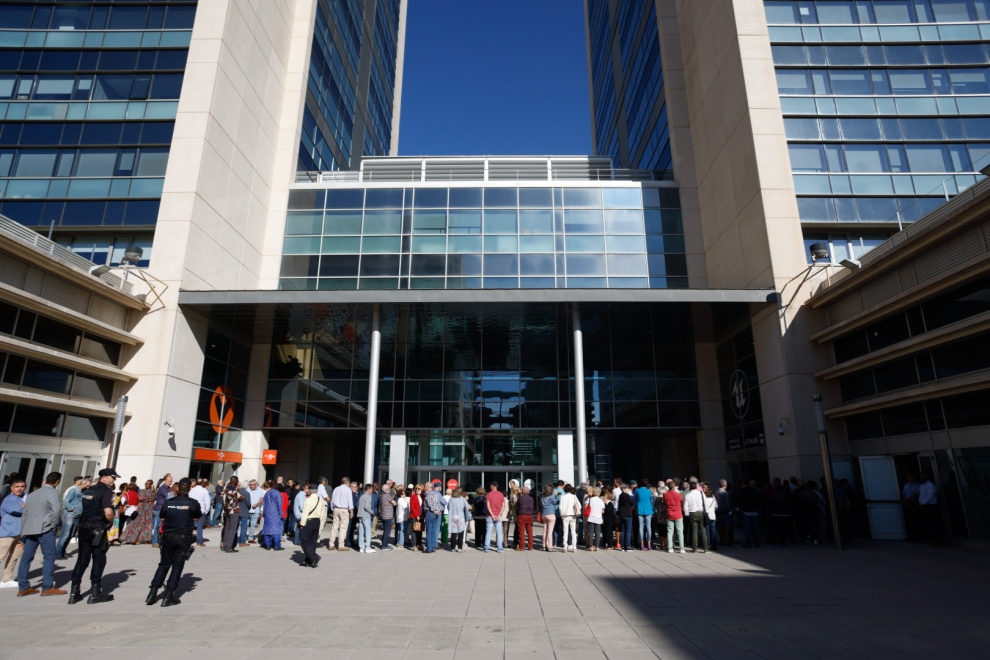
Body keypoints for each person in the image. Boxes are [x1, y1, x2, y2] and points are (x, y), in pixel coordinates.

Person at [146, 477, 202, 607]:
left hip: (167, 537)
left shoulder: (168, 502)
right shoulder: (192, 503)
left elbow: (161, 518)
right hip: (183, 537)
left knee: (164, 564)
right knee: (177, 566)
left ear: (177, 488)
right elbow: (198, 517)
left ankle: (152, 593)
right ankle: (169, 596)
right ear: (189, 488)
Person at [68, 468, 119, 604]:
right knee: (99, 558)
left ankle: (74, 592)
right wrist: (111, 521)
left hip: (84, 527)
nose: (114, 480)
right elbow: (108, 513)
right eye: (112, 477)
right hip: (97, 529)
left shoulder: (89, 489)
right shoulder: (105, 491)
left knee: (82, 559)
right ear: (104, 478)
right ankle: (95, 593)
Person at [17, 472, 64, 597]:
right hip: (45, 529)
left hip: (30, 529)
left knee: (26, 558)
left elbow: (25, 513)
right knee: (49, 557)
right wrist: (54, 525)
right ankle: (47, 587)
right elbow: (56, 509)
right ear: (57, 481)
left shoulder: (32, 494)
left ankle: (23, 586)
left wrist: (24, 530)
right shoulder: (52, 492)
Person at [0, 477, 26, 588]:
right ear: (12, 488)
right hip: (7, 533)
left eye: (22, 487)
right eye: (17, 487)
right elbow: (17, 511)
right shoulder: (9, 499)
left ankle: (6, 579)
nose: (19, 489)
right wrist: (26, 508)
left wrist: (25, 507)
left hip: (19, 533)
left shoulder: (24, 499)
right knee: (1, 555)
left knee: (14, 556)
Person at [55, 476, 85, 560]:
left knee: (70, 534)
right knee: (65, 534)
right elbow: (65, 501)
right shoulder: (73, 490)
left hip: (76, 515)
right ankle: (58, 553)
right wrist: (72, 509)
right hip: (70, 515)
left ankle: (63, 551)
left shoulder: (82, 491)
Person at [298, 482, 326, 567]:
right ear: (317, 491)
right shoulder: (320, 500)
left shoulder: (308, 500)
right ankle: (309, 560)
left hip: (309, 521)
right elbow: (322, 512)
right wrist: (320, 522)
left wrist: (302, 523)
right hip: (317, 521)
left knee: (304, 541)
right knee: (313, 541)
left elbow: (305, 513)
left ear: (309, 491)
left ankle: (314, 557)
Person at [121, 480, 155, 545]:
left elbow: (154, 497)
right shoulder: (142, 491)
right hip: (142, 509)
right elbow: (141, 498)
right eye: (146, 483)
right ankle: (135, 539)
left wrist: (150, 497)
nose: (146, 484)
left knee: (147, 525)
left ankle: (146, 539)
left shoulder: (153, 491)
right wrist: (149, 499)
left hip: (149, 510)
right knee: (137, 524)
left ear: (151, 484)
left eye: (148, 483)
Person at [682, 479, 707, 553]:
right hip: (701, 512)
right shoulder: (702, 494)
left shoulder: (688, 495)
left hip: (692, 513)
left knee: (694, 531)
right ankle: (705, 547)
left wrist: (687, 514)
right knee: (703, 530)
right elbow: (705, 504)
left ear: (690, 488)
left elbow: (685, 506)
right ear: (696, 487)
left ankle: (695, 547)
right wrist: (707, 513)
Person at [329, 477, 354, 551]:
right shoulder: (348, 490)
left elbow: (332, 500)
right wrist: (351, 511)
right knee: (343, 528)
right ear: (348, 482)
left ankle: (331, 544)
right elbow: (350, 501)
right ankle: (341, 545)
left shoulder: (336, 489)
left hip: (336, 508)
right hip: (344, 509)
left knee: (334, 527)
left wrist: (332, 508)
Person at [919, 472, 943, 546]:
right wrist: (920, 502)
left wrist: (923, 503)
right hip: (924, 505)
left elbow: (930, 496)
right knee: (928, 523)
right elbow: (921, 495)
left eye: (923, 476)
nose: (922, 478)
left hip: (931, 506)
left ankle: (938, 540)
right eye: (921, 476)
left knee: (934, 523)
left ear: (927, 477)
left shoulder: (931, 486)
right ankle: (932, 539)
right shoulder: (922, 486)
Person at [221, 477, 245, 552]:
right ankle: (229, 547)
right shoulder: (234, 491)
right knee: (232, 529)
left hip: (227, 510)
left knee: (227, 528)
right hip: (234, 510)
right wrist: (238, 490)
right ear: (236, 482)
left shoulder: (226, 490)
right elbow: (241, 497)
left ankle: (224, 545)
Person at [482, 481, 507, 554]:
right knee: (499, 532)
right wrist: (499, 515)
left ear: (493, 486)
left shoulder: (489, 494)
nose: (490, 486)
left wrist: (492, 515)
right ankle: (499, 548)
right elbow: (503, 505)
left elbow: (488, 506)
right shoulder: (501, 494)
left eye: (490, 485)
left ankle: (486, 547)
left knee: (488, 532)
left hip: (490, 516)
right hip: (499, 515)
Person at [737, 480, 762, 548]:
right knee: (756, 527)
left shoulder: (742, 491)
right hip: (754, 511)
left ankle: (748, 542)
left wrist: (741, 508)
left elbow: (739, 501)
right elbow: (758, 500)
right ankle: (757, 542)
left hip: (745, 511)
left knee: (747, 528)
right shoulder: (754, 491)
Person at [423, 481, 446, 553]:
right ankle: (433, 547)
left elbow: (430, 505)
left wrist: (435, 511)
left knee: (429, 531)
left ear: (428, 487)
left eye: (425, 486)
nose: (424, 487)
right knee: (433, 531)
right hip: (436, 513)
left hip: (430, 513)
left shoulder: (429, 494)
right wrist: (438, 510)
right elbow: (438, 503)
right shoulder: (436, 493)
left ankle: (429, 548)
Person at [260, 482, 284, 550]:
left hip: (267, 513)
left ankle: (268, 545)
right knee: (276, 530)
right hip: (275, 513)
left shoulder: (267, 493)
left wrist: (264, 513)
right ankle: (277, 545)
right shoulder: (277, 493)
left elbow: (264, 504)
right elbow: (279, 504)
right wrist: (280, 514)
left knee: (267, 529)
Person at [663, 480, 685, 553]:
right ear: (674, 487)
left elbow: (665, 503)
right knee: (680, 531)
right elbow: (681, 502)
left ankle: (670, 547)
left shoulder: (665, 494)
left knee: (669, 531)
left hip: (669, 514)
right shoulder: (678, 494)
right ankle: (681, 548)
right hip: (678, 514)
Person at [151, 474, 172, 547]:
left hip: (164, 508)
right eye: (169, 481)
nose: (170, 483)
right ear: (165, 481)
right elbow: (167, 496)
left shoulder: (168, 488)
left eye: (171, 481)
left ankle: (157, 541)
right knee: (158, 525)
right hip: (159, 509)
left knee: (161, 525)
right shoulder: (162, 488)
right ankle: (155, 541)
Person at [189, 479, 212, 547]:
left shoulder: (192, 490)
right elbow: (207, 501)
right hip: (200, 510)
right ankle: (199, 542)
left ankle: (188, 540)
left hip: (192, 510)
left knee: (190, 526)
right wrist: (206, 510)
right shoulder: (204, 490)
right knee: (199, 526)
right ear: (203, 483)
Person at [558, 485, 580, 553]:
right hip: (573, 515)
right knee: (573, 531)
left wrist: (561, 514)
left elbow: (560, 507)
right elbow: (579, 505)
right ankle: (574, 547)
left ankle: (565, 547)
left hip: (565, 515)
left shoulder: (562, 497)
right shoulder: (574, 496)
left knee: (565, 531)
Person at [634, 480, 655, 550]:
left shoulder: (637, 490)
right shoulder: (649, 491)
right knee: (648, 526)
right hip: (648, 509)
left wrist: (634, 507)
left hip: (640, 509)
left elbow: (635, 499)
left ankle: (642, 543)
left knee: (641, 527)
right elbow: (651, 500)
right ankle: (649, 543)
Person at [448, 487, 469, 552]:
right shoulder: (462, 499)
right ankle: (460, 548)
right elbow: (467, 506)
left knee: (453, 533)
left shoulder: (451, 499)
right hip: (460, 517)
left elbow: (448, 507)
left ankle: (452, 548)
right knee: (460, 532)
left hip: (452, 517)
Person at [356, 484, 376, 553]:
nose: (372, 491)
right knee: (368, 531)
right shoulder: (368, 497)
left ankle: (361, 547)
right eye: (371, 489)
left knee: (361, 532)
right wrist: (372, 512)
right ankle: (367, 547)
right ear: (369, 489)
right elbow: (367, 507)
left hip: (360, 515)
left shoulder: (362, 496)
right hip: (366, 515)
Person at [539, 484, 559, 552]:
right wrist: (556, 495)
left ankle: (544, 546)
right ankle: (550, 547)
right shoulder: (550, 498)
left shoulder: (542, 497)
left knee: (545, 531)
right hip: (550, 514)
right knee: (550, 532)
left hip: (544, 514)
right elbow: (557, 502)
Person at [515, 486, 535, 551]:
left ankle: (522, 546)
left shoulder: (520, 498)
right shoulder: (531, 498)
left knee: (521, 532)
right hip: (530, 516)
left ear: (522, 491)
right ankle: (530, 546)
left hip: (522, 515)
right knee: (530, 532)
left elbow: (517, 505)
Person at [714, 480, 732, 547]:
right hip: (725, 511)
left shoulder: (716, 491)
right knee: (726, 526)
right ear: (725, 485)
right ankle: (725, 540)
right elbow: (727, 503)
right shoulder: (725, 493)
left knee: (720, 526)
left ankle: (721, 539)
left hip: (718, 511)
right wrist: (730, 510)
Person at [245, 479, 264, 544]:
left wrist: (256, 504)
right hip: (247, 510)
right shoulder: (247, 490)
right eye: (250, 484)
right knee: (246, 524)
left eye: (252, 484)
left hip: (256, 510)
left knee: (253, 525)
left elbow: (262, 499)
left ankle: (250, 538)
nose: (251, 486)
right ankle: (244, 537)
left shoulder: (260, 490)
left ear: (256, 484)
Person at [702, 483, 718, 552]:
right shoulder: (713, 499)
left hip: (707, 516)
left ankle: (708, 544)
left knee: (707, 531)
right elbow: (716, 507)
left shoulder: (705, 500)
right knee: (713, 531)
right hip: (713, 516)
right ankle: (714, 544)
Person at [379, 484, 395, 550]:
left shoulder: (381, 495)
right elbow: (394, 503)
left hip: (383, 515)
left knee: (385, 530)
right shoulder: (387, 496)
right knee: (387, 531)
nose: (389, 489)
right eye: (388, 488)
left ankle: (384, 544)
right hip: (388, 516)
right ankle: (385, 545)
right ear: (386, 489)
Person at [292, 482, 308, 546]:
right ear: (304, 489)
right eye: (307, 488)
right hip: (300, 514)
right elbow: (302, 507)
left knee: (298, 527)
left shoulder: (300, 494)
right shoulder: (302, 495)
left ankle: (296, 541)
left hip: (297, 513)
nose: (308, 489)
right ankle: (300, 541)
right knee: (302, 528)